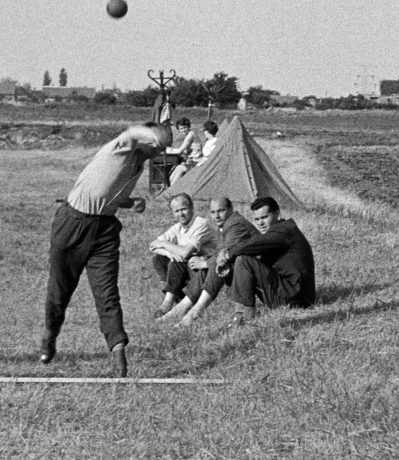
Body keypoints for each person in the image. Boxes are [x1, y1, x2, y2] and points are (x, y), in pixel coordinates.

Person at [42, 121, 171, 376]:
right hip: (72, 224)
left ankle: (118, 352)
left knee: (107, 292)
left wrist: (131, 201)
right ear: (146, 139)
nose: (159, 152)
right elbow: (133, 132)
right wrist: (161, 135)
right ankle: (50, 335)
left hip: (104, 231)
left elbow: (107, 192)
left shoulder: (138, 165)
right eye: (156, 147)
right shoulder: (120, 147)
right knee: (60, 290)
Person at [219, 196, 316, 322]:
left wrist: (227, 253)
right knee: (243, 260)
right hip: (292, 294)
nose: (260, 223)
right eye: (257, 219)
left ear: (277, 213)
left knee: (243, 260)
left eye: (265, 217)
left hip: (296, 299)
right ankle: (240, 311)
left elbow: (252, 244)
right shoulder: (280, 231)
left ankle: (246, 314)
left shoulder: (284, 231)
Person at [171, 196, 253, 326]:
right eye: (213, 212)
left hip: (258, 274)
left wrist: (205, 262)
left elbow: (226, 253)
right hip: (243, 270)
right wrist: (205, 259)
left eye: (221, 211)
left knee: (217, 265)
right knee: (210, 266)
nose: (217, 216)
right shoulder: (226, 225)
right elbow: (220, 251)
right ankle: (181, 308)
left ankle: (195, 312)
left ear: (231, 209)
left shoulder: (236, 224)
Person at [149, 192, 215, 315]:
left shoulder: (200, 223)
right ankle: (179, 297)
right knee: (158, 259)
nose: (180, 214)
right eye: (176, 211)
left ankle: (167, 304)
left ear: (191, 208)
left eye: (183, 209)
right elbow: (153, 245)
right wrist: (168, 253)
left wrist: (165, 245)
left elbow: (186, 252)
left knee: (177, 260)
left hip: (205, 269)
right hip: (188, 266)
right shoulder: (178, 227)